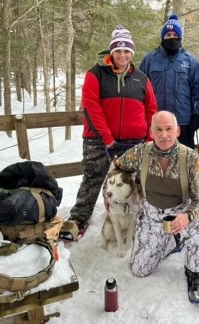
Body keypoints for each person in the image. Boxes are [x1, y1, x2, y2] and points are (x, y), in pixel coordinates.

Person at [111, 111, 199, 294]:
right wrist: (116, 194)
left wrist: (188, 217)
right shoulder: (140, 152)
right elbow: (117, 166)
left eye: (168, 129)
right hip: (151, 215)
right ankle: (170, 242)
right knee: (139, 270)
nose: (164, 135)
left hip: (181, 213)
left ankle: (195, 266)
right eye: (158, 130)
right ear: (151, 131)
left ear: (177, 131)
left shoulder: (190, 158)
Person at [68, 25, 157, 234]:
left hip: (133, 140)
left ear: (132, 53)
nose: (123, 55)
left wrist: (148, 137)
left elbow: (151, 109)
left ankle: (141, 216)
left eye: (127, 51)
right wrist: (107, 137)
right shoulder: (96, 73)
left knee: (136, 179)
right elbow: (91, 106)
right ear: (111, 51)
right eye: (118, 50)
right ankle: (79, 218)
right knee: (93, 177)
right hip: (98, 138)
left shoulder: (141, 78)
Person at [139, 14, 199, 149]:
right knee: (157, 162)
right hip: (157, 123)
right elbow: (140, 90)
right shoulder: (149, 59)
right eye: (168, 35)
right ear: (163, 37)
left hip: (183, 122)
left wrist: (197, 113)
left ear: (180, 37)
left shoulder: (190, 60)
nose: (172, 37)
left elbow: (197, 89)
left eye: (175, 34)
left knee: (183, 161)